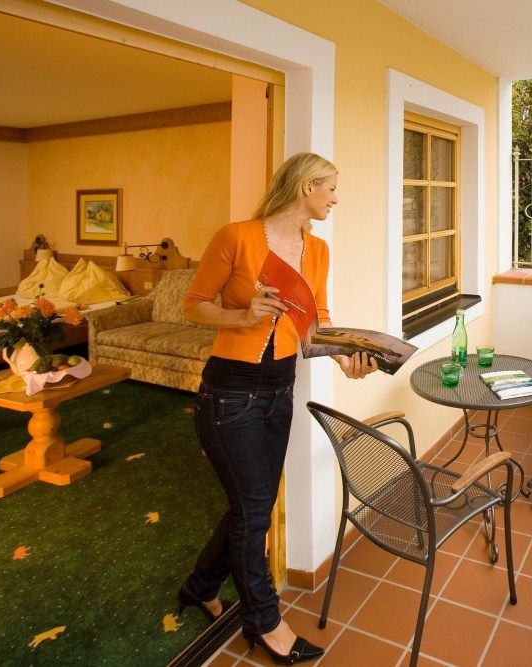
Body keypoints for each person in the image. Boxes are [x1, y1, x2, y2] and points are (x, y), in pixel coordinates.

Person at [178, 152, 377, 665]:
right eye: (331, 188)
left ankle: (200, 586)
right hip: (230, 392)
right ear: (307, 187)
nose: (336, 198)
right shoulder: (237, 237)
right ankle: (264, 622)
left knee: (254, 505)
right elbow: (194, 304)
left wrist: (346, 358)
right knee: (253, 511)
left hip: (279, 391)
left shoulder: (319, 250)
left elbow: (315, 323)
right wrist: (243, 317)